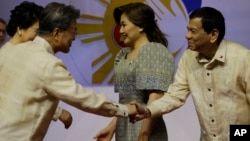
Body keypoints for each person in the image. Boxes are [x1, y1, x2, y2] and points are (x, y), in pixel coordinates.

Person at [0, 2, 137, 141]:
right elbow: (84, 99)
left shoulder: (11, 49)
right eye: (73, 32)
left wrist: (57, 113)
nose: (74, 37)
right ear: (56, 33)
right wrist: (125, 109)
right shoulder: (48, 64)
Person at [131, 7, 250, 141]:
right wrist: (148, 110)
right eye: (188, 30)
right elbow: (175, 96)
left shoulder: (243, 58)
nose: (187, 35)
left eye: (193, 31)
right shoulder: (188, 58)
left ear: (213, 35)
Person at [94, 2, 174, 141]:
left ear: (141, 26)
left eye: (124, 25)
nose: (120, 31)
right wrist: (111, 128)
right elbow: (128, 102)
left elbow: (156, 97)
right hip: (124, 129)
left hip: (146, 129)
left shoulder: (153, 51)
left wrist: (144, 134)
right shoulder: (123, 55)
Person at [2, 1, 72, 129]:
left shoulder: (15, 53)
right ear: (20, 29)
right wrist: (59, 113)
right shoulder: (10, 56)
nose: (40, 37)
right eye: (37, 31)